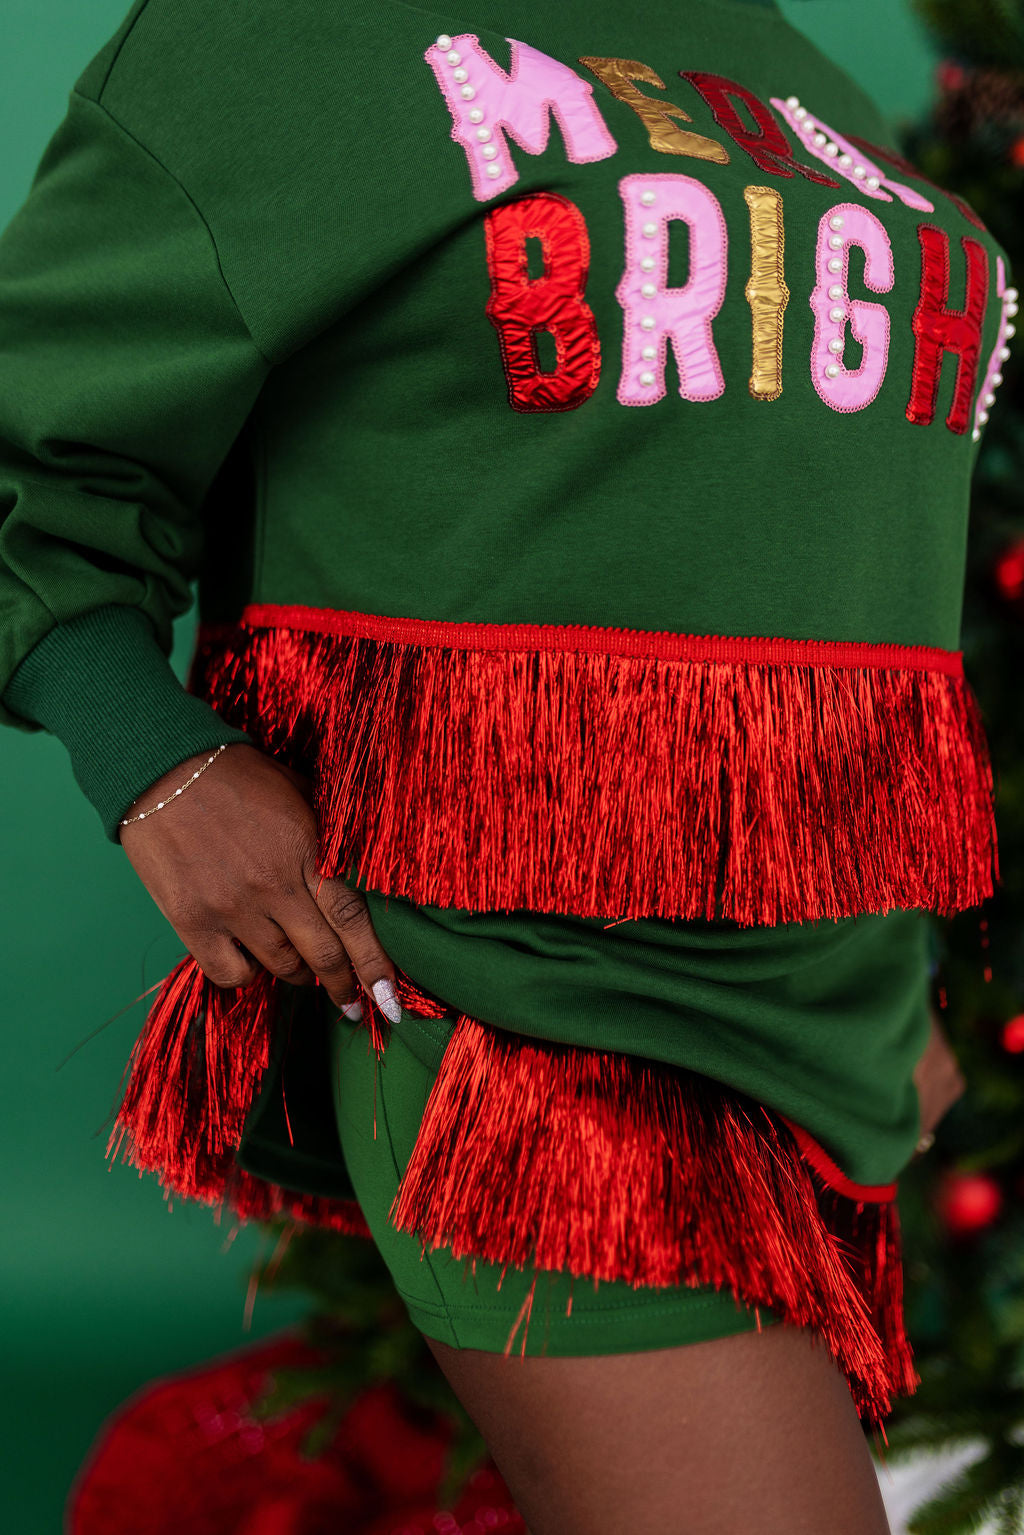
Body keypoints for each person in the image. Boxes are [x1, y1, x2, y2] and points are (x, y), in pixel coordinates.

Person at [0, 1, 1009, 1530]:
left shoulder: (782, 55)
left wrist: (880, 957)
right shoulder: (261, 41)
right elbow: (34, 446)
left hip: (822, 1020)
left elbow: (806, 548)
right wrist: (156, 767)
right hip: (521, 1020)